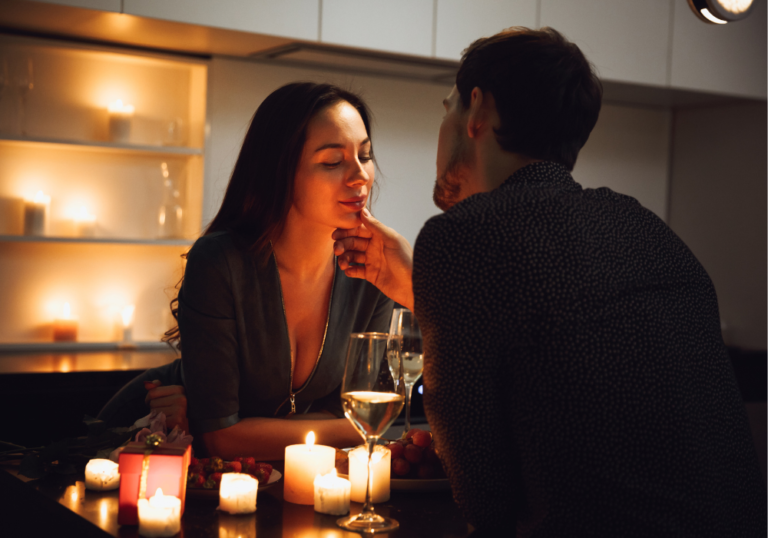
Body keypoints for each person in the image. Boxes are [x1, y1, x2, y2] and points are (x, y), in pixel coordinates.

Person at [332, 27, 766, 536]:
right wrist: (425, 289)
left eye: (446, 107)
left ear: (478, 110)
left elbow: (482, 492)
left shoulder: (464, 238)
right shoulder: (645, 227)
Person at [99, 82, 392, 460]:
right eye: (332, 162)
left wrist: (243, 430)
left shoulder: (373, 269)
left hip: (266, 474)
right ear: (279, 172)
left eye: (365, 156)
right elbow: (221, 439)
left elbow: (371, 423)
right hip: (149, 442)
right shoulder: (221, 262)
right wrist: (339, 426)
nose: (361, 176)